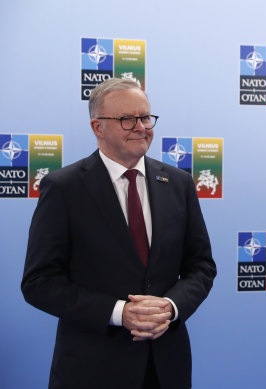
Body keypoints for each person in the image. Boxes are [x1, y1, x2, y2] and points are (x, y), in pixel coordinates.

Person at [22, 78, 217, 389]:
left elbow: (202, 267)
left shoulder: (178, 183)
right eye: (127, 119)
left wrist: (170, 307)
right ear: (98, 127)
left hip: (166, 367)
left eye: (145, 117)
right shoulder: (64, 188)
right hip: (92, 370)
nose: (140, 127)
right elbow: (39, 282)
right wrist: (119, 313)